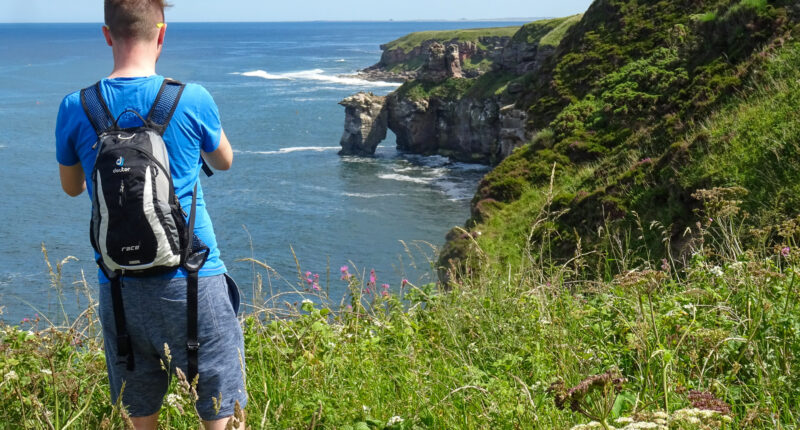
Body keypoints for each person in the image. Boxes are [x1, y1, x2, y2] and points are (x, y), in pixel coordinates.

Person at [55, 1, 247, 428]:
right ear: (161, 33)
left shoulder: (76, 106)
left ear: (107, 35)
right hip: (194, 283)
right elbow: (226, 159)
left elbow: (72, 188)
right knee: (223, 418)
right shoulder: (190, 97)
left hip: (120, 290)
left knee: (140, 421)